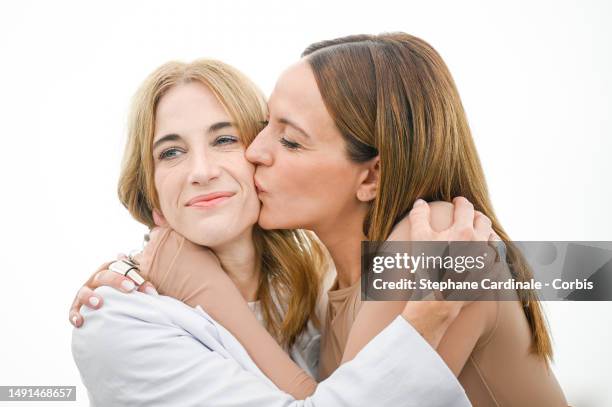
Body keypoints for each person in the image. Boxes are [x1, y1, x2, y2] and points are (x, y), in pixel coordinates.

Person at [74, 32, 568, 405]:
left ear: (370, 177)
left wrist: (201, 285)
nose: (257, 152)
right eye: (264, 127)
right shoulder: (327, 288)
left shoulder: (435, 236)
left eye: (289, 140)